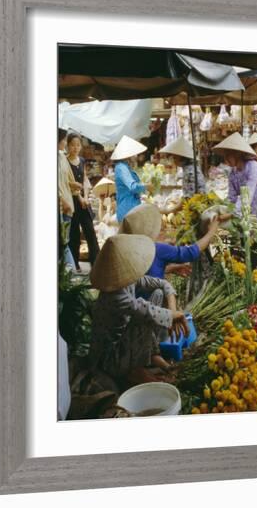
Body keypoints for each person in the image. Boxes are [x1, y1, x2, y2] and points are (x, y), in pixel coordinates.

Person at [89, 234, 189, 383]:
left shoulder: (128, 280)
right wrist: (173, 316)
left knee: (157, 293)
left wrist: (173, 311)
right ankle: (136, 371)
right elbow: (145, 310)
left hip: (126, 340)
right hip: (110, 357)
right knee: (145, 316)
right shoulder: (113, 296)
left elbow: (163, 284)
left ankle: (154, 357)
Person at [120, 203, 222, 280]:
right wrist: (211, 231)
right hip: (149, 302)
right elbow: (189, 253)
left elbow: (144, 276)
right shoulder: (156, 249)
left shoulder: (126, 252)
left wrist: (169, 269)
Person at [213, 132, 257, 223]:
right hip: (249, 215)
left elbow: (247, 194)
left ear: (237, 154)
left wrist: (231, 214)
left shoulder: (253, 167)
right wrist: (223, 208)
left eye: (228, 155)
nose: (226, 159)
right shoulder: (233, 173)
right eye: (225, 156)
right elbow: (231, 198)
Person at [66, 132, 100, 271]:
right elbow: (68, 183)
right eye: (72, 145)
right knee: (74, 234)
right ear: (68, 146)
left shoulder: (82, 160)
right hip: (72, 202)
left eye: (78, 145)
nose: (75, 148)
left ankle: (96, 264)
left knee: (90, 232)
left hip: (84, 203)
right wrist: (80, 197)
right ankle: (75, 265)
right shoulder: (65, 161)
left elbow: (85, 180)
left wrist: (86, 197)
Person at [159, 136, 207, 214]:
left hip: (197, 209)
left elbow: (188, 199)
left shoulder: (190, 171)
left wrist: (169, 211)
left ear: (181, 157)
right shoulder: (189, 168)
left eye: (175, 157)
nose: (173, 160)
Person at [111, 135, 148, 222]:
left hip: (131, 209)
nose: (136, 156)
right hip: (127, 210)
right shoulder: (121, 167)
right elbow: (133, 187)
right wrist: (146, 186)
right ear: (128, 155)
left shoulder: (126, 167)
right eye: (134, 153)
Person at [58, 128, 81, 269]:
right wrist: (63, 200)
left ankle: (68, 274)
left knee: (63, 242)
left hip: (67, 207)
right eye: (65, 140)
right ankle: (71, 272)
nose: (66, 143)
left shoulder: (61, 156)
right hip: (61, 206)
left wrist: (74, 185)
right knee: (63, 243)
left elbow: (66, 180)